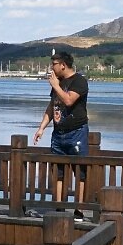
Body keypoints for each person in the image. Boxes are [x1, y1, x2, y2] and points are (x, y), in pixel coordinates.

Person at [32, 49, 90, 209]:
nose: (52, 68)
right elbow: (52, 106)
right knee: (57, 171)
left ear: (63, 65)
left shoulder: (79, 81)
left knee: (79, 172)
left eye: (54, 65)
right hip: (58, 133)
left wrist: (56, 86)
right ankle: (58, 206)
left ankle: (79, 209)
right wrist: (41, 128)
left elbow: (69, 100)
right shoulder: (57, 83)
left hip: (76, 132)